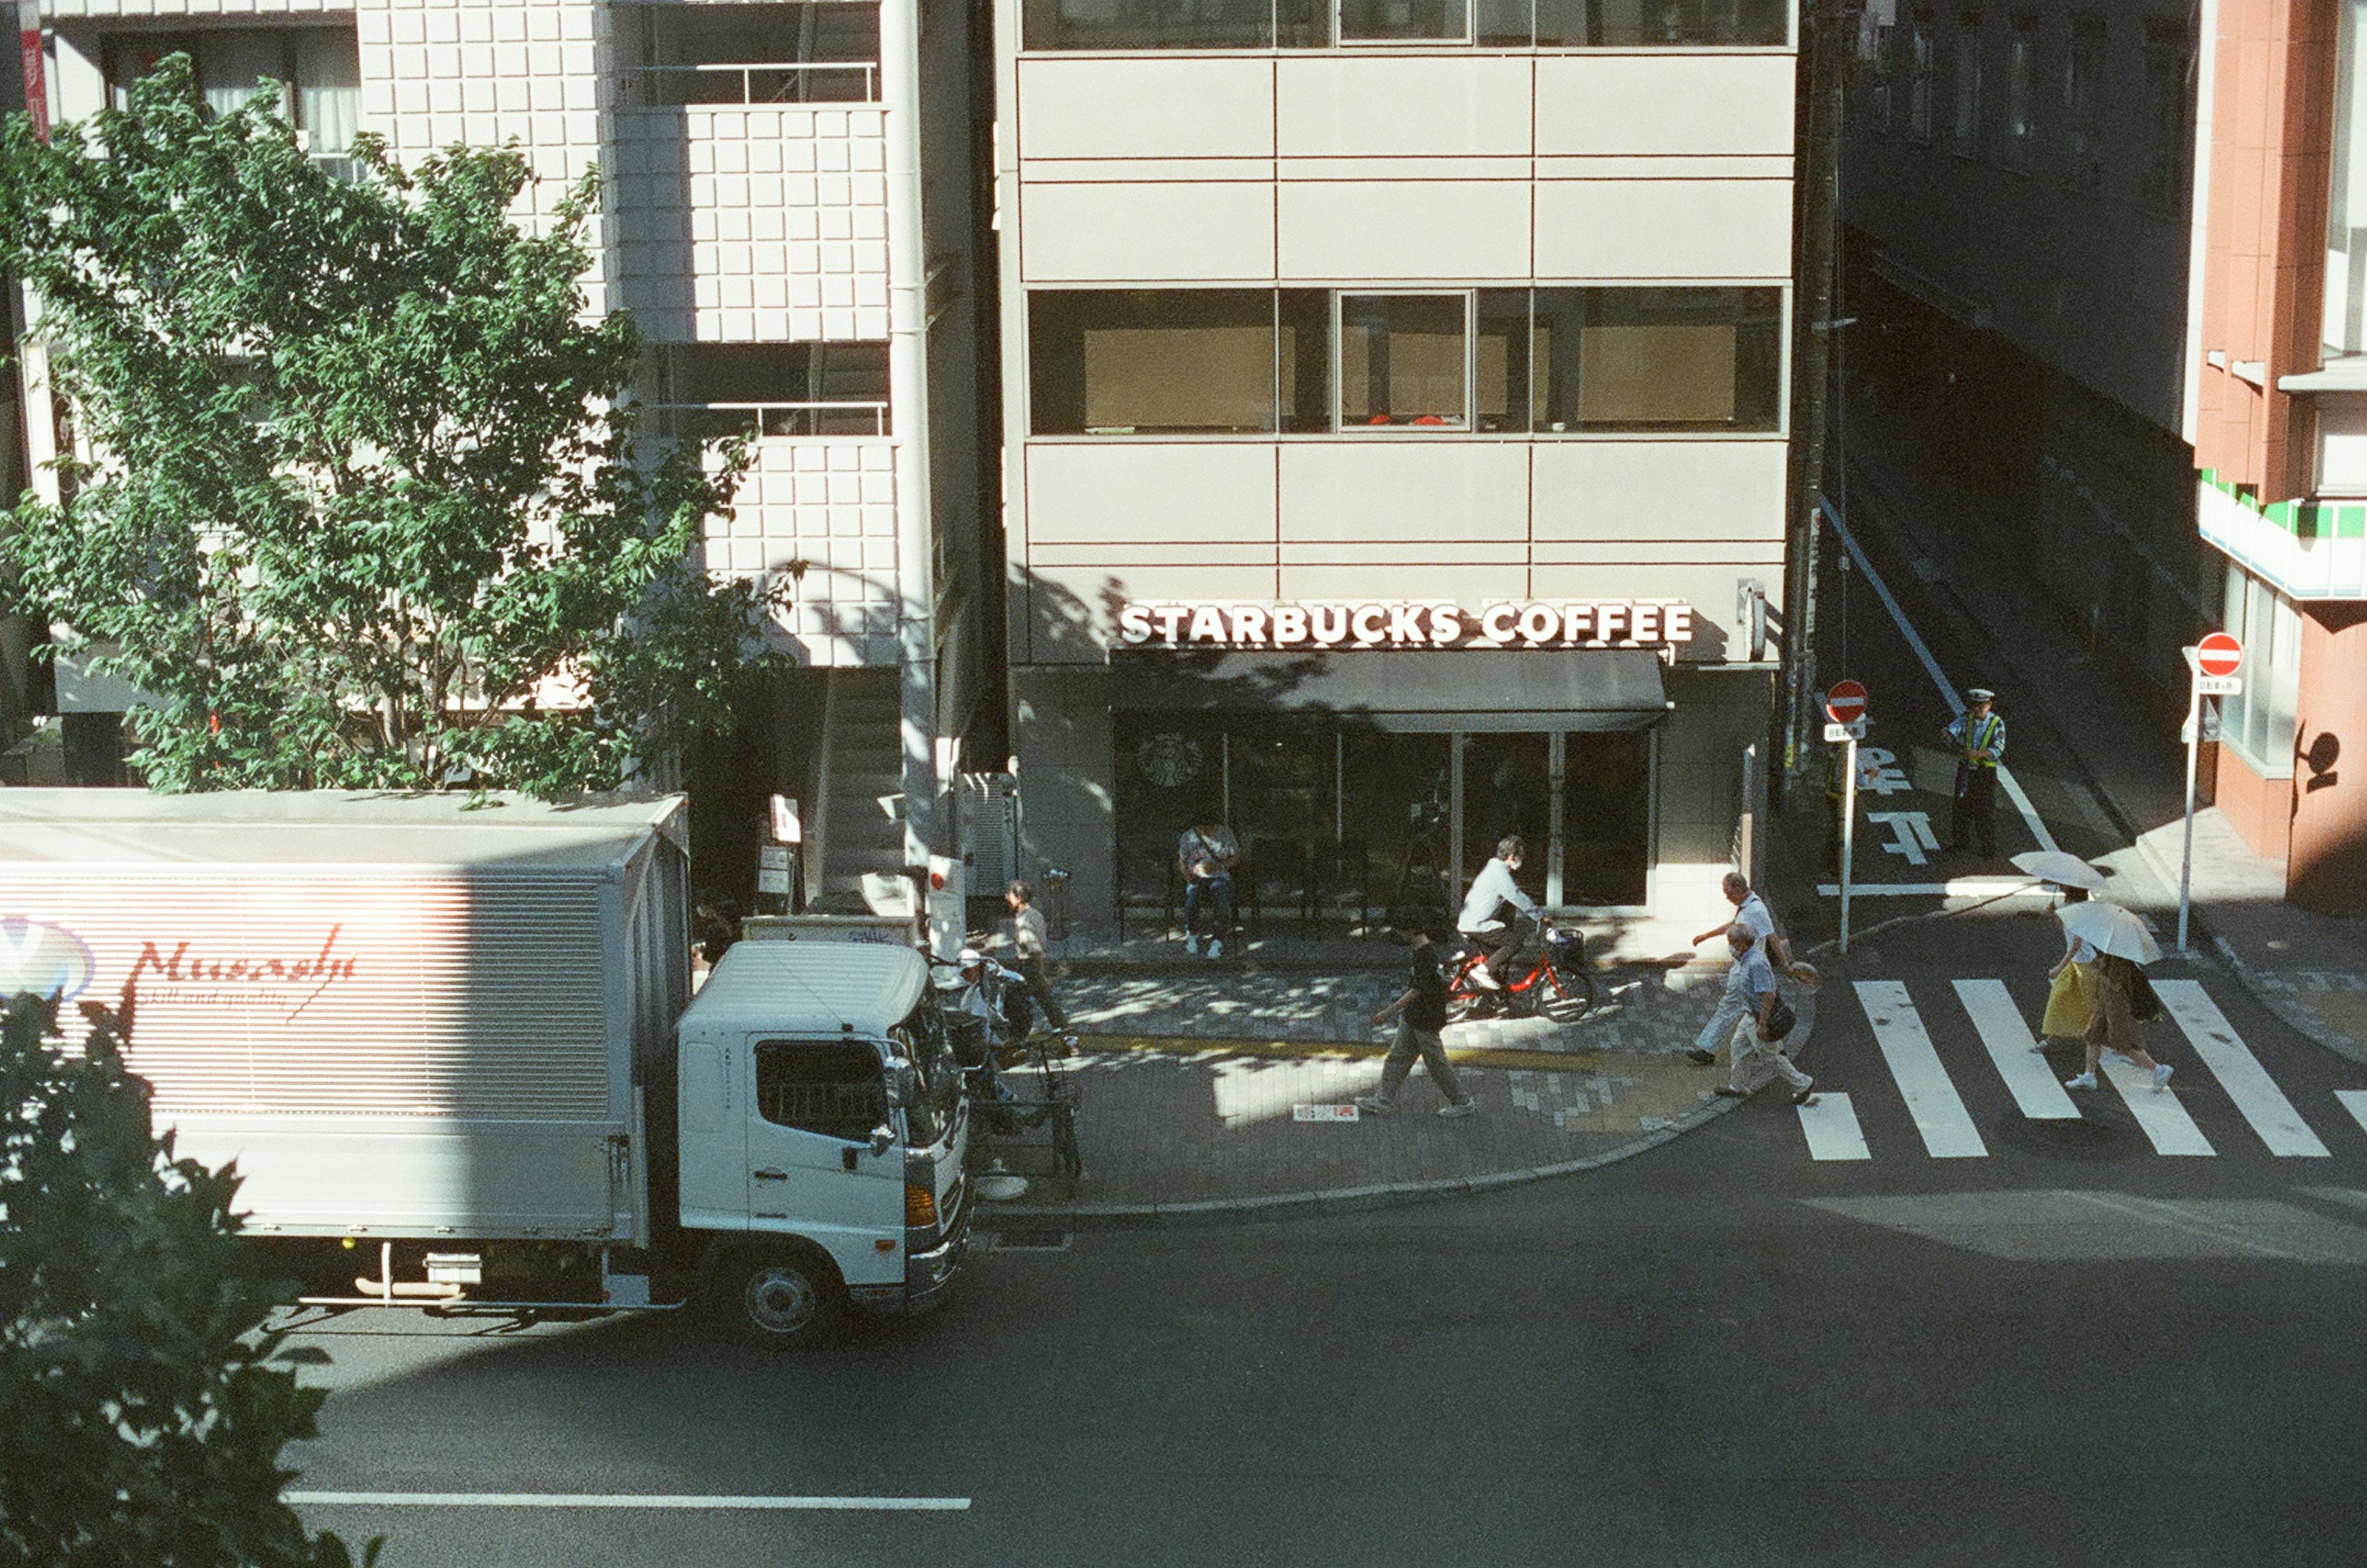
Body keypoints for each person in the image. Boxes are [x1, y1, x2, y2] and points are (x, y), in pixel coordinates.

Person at [1354, 928, 1476, 1119]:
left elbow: (1417, 990)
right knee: (1397, 1057)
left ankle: (1462, 1102)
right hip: (1415, 1016)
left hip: (1426, 1018)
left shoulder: (1426, 956)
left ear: (1409, 931)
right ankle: (1383, 1100)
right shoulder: (1421, 951)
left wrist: (1388, 1012)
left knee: (1436, 1063)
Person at [1686, 873, 1790, 1066]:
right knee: (1755, 1010)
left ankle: (1707, 1048)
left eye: (1729, 893)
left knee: (1730, 1008)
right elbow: (1734, 925)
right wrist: (1708, 935)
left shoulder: (1757, 910)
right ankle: (1777, 1049)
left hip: (1747, 969)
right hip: (1745, 967)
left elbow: (1772, 938)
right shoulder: (1747, 908)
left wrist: (1786, 965)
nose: (1727, 897)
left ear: (1740, 889)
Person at [1711, 923, 1816, 1105]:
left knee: (1771, 1056)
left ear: (1743, 943)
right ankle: (1738, 1086)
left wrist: (1763, 1024)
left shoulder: (1756, 963)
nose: (1730, 946)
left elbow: (1768, 994)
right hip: (1751, 1014)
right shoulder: (1748, 958)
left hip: (1759, 1017)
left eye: (1732, 942)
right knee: (1738, 1046)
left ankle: (1802, 1083)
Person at [2066, 950, 2175, 1093]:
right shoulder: (2111, 950)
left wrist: (2098, 968)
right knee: (2093, 1035)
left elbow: (2116, 983)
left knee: (2122, 1041)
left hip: (2116, 1002)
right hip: (2105, 1000)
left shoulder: (2119, 955)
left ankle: (2158, 1069)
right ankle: (2089, 1076)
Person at [1457, 835, 1539, 993]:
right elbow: (1516, 896)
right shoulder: (1499, 874)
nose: (1522, 860)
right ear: (1511, 856)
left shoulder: (1494, 868)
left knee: (1500, 961)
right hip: (1478, 924)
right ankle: (1483, 971)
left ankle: (1500, 999)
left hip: (1474, 922)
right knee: (1514, 942)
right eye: (1520, 857)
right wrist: (1539, 916)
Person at [1945, 688, 2007, 859]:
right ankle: (1960, 843)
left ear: (1989, 705)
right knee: (1960, 807)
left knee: (1985, 811)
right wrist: (1948, 734)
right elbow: (1952, 730)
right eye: (1974, 706)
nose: (1977, 709)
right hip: (1966, 770)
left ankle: (1988, 849)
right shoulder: (1967, 719)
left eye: (1981, 706)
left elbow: (1998, 748)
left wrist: (1979, 754)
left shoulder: (1997, 723)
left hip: (1984, 773)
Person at [2037, 887, 2099, 1051]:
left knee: (2090, 1005)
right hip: (2077, 964)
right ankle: (2052, 1039)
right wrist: (2054, 915)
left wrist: (2059, 967)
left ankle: (2106, 1039)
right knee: (2059, 998)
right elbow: (2065, 929)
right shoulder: (2070, 909)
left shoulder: (2080, 913)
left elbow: (2076, 944)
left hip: (2086, 965)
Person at [1005, 878, 1065, 1030]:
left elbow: (1035, 949)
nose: (1007, 897)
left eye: (1010, 895)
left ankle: (1017, 1034)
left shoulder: (1023, 921)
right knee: (1045, 1002)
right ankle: (1066, 1033)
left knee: (1016, 1000)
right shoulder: (1035, 914)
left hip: (1028, 966)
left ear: (1019, 898)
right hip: (1031, 966)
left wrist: (1040, 972)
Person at [1176, 818, 1239, 959]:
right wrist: (1188, 875)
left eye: (1207, 829)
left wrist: (1220, 866)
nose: (1204, 832)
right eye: (1200, 829)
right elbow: (1182, 860)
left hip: (1219, 876)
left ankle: (1218, 940)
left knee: (1222, 901)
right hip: (1197, 877)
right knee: (1192, 900)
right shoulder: (1189, 836)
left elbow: (1235, 857)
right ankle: (1192, 935)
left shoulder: (1225, 834)